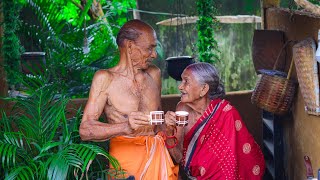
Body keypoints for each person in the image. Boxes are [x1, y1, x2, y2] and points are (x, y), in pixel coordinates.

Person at [79, 19, 177, 180]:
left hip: (157, 156)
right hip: (125, 161)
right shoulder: (105, 78)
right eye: (150, 48)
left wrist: (169, 124)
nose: (154, 54)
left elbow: (158, 125)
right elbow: (85, 130)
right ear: (130, 47)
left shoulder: (154, 74)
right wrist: (125, 127)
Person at [164, 62, 265, 179]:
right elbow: (177, 157)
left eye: (186, 81)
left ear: (203, 89)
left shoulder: (227, 113)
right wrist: (169, 131)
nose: (180, 86)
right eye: (182, 81)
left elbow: (235, 162)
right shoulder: (182, 109)